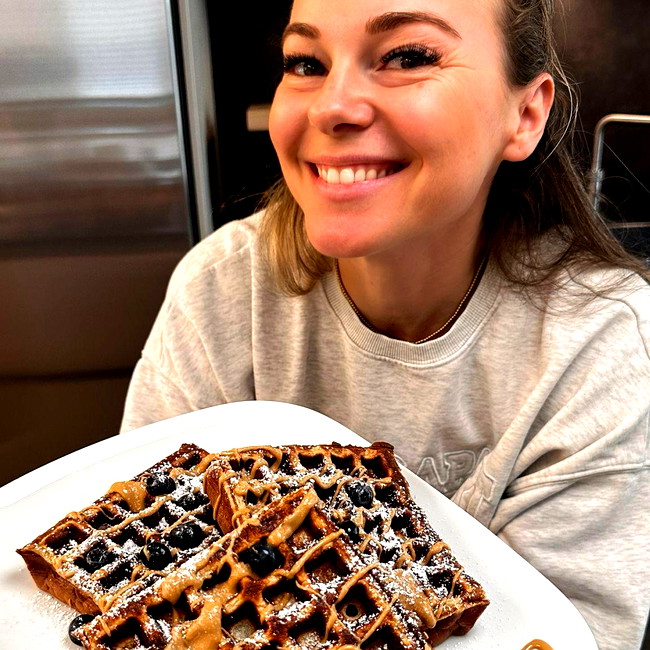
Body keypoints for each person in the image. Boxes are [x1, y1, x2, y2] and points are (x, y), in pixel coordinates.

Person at [121, 0, 650, 647]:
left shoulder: (598, 341)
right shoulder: (222, 291)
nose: (330, 107)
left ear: (526, 113)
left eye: (409, 56)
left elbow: (565, 635)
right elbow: (144, 574)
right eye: (306, 63)